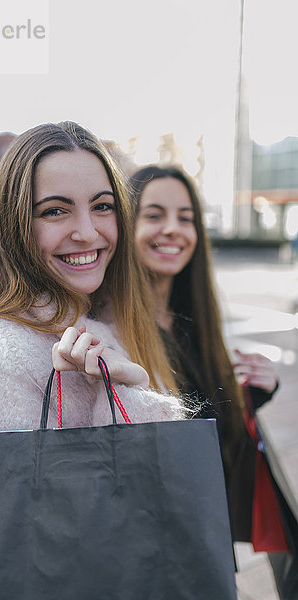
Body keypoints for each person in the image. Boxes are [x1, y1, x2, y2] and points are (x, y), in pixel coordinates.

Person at [0, 122, 184, 474]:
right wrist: (125, 395)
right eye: (55, 210)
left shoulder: (101, 322)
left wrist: (130, 386)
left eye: (102, 206)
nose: (87, 232)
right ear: (15, 224)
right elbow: (41, 515)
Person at [130, 164, 298, 600]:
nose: (173, 229)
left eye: (186, 218)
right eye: (154, 215)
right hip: (157, 549)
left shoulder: (191, 321)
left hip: (208, 530)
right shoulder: (115, 331)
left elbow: (203, 421)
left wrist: (247, 396)